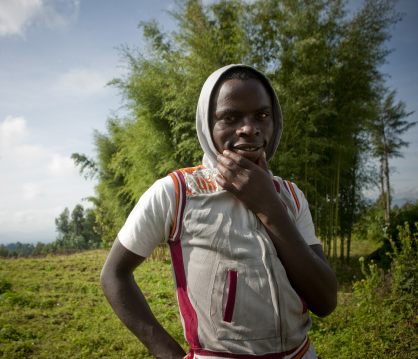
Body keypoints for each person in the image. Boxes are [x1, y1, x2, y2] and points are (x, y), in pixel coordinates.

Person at [100, 64, 338, 359]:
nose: (249, 128)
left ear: (275, 122)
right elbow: (114, 275)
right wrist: (168, 353)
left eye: (262, 115)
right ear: (206, 125)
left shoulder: (290, 196)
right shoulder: (177, 192)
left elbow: (326, 301)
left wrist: (270, 207)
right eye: (230, 117)